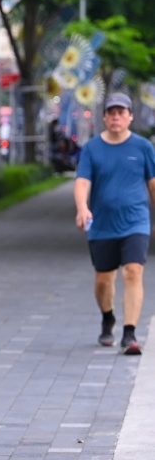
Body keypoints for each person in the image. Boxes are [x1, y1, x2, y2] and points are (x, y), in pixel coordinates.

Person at [74, 92, 155, 355]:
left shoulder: (143, 147)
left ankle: (129, 334)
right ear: (105, 117)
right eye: (111, 113)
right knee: (103, 280)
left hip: (135, 222)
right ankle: (108, 317)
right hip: (102, 225)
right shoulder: (92, 149)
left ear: (130, 116)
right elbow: (82, 181)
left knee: (133, 271)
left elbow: (152, 184)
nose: (116, 117)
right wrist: (83, 207)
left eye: (121, 112)